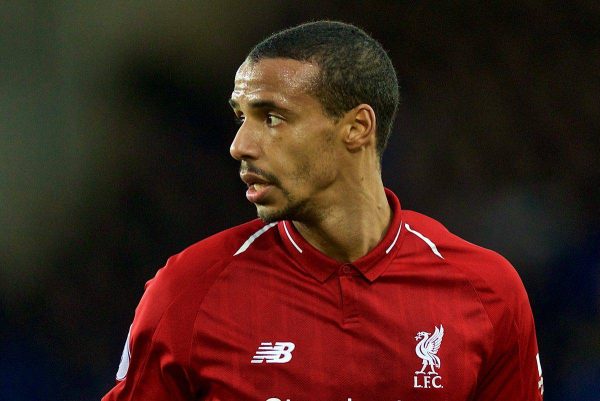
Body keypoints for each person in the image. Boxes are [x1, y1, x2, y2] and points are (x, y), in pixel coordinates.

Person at [102, 21, 543, 401]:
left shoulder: (486, 292)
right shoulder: (188, 290)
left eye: (271, 117)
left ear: (356, 127)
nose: (240, 146)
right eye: (241, 118)